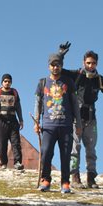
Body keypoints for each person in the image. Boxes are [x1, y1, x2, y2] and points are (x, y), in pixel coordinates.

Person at [67, 50, 103, 188]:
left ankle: (91, 178)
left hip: (91, 119)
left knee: (91, 149)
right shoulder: (77, 75)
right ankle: (75, 178)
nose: (91, 66)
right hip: (76, 118)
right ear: (84, 62)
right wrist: (61, 54)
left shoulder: (99, 79)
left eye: (94, 63)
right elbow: (59, 71)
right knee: (75, 148)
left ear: (97, 64)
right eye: (88, 63)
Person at [33, 52, 81, 194]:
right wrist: (36, 122)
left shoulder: (69, 83)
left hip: (66, 125)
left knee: (65, 155)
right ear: (49, 66)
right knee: (46, 152)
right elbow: (38, 104)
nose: (55, 67)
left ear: (61, 66)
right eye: (53, 65)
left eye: (58, 65)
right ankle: (46, 179)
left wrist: (78, 124)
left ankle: (65, 182)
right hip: (48, 126)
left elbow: (75, 104)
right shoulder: (42, 83)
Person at [0, 73, 24, 170]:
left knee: (16, 143)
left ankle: (18, 163)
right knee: (1, 144)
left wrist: (21, 119)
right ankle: (3, 163)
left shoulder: (14, 92)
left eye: (9, 81)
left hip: (13, 120)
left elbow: (18, 107)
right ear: (2, 82)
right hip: (0, 121)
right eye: (5, 81)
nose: (7, 83)